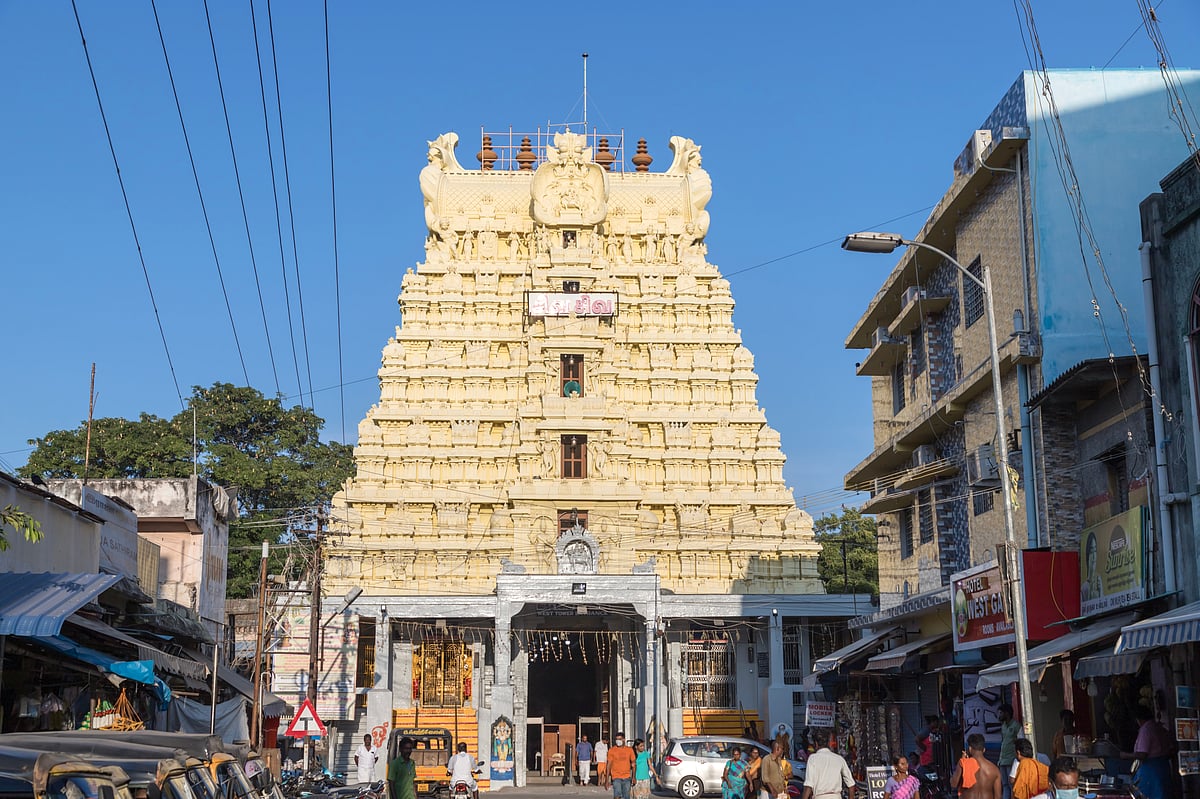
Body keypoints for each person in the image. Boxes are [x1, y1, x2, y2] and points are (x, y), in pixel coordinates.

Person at [1122, 705, 1174, 797]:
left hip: (1151, 771)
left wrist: (1124, 755)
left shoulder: (1146, 729)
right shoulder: (1159, 727)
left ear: (1139, 719)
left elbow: (1142, 754)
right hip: (1163, 767)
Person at [801, 729, 855, 799]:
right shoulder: (839, 759)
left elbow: (809, 784)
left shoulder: (813, 759)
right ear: (829, 743)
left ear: (816, 744)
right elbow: (851, 785)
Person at [950, 734, 999, 799]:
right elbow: (998, 796)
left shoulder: (964, 763)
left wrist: (962, 761)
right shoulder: (995, 769)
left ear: (970, 748)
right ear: (984, 749)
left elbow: (953, 784)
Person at [997, 704, 1019, 799]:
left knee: (1011, 785)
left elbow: (1020, 741)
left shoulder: (1016, 726)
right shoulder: (1003, 726)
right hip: (1003, 760)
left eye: (1001, 713)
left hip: (1011, 760)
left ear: (1007, 713)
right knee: (1005, 785)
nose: (999, 715)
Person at [608, 732, 636, 799]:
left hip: (627, 777)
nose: (618, 741)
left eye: (619, 739)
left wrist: (634, 777)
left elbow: (634, 764)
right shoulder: (612, 750)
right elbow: (608, 765)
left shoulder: (629, 750)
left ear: (623, 739)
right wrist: (607, 780)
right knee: (617, 795)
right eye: (616, 739)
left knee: (626, 796)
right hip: (616, 777)